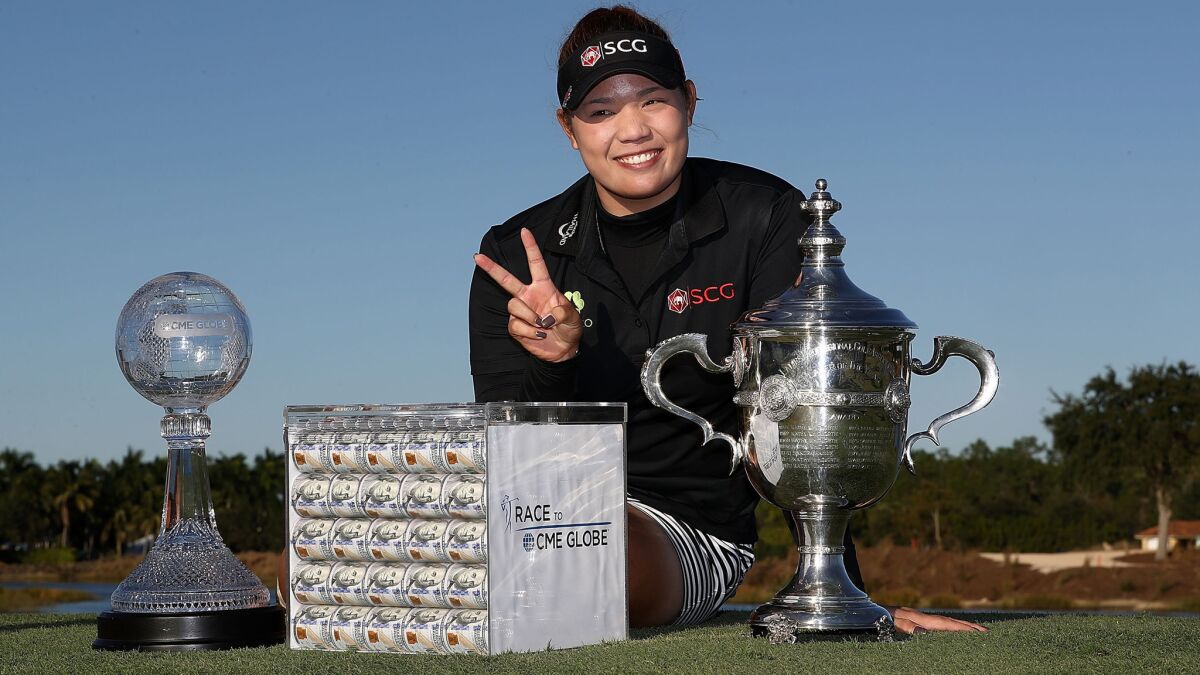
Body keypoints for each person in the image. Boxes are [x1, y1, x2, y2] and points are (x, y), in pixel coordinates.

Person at [469, 5, 984, 634]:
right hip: (536, 509)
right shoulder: (516, 253)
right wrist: (555, 364)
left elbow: (804, 415)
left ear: (688, 102)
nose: (631, 129)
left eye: (652, 100)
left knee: (576, 561)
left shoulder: (765, 218)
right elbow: (507, 457)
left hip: (684, 528)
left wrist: (840, 595)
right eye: (600, 111)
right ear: (568, 129)